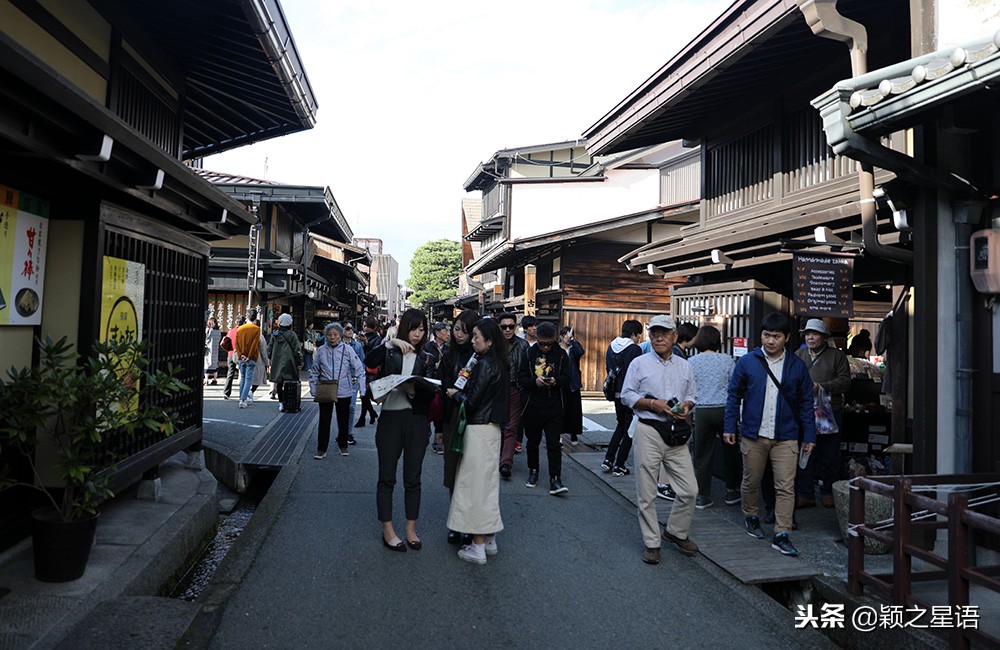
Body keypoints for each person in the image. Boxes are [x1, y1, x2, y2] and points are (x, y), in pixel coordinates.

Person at [723, 311, 816, 557]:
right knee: (751, 480)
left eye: (776, 336)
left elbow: (807, 402)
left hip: (786, 436)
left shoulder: (796, 365)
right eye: (766, 335)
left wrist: (809, 436)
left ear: (786, 338)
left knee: (785, 486)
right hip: (753, 434)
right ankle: (751, 515)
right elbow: (734, 395)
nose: (770, 341)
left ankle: (782, 533)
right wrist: (729, 425)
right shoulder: (748, 362)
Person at [619, 315, 699, 564]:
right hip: (648, 430)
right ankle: (651, 542)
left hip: (677, 431)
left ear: (675, 336)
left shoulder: (684, 365)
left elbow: (691, 395)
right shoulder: (639, 363)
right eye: (654, 333)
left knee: (689, 490)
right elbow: (627, 396)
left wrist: (686, 406)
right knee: (647, 491)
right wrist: (654, 404)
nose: (658, 337)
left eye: (664, 333)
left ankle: (675, 531)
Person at [365, 308, 436, 553]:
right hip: (391, 418)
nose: (418, 334)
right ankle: (387, 530)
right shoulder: (391, 350)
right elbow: (369, 361)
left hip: (416, 419)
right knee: (386, 476)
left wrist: (413, 391)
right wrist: (388, 342)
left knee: (413, 477)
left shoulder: (428, 357)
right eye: (414, 328)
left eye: (422, 329)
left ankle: (410, 528)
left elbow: (433, 392)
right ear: (405, 327)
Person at [445, 317, 509, 564]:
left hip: (478, 430)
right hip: (492, 431)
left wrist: (455, 394)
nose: (472, 341)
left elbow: (471, 402)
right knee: (488, 486)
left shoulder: (484, 365)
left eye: (476, 337)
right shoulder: (502, 363)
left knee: (474, 488)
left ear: (490, 341)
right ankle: (490, 539)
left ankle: (478, 545)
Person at [794, 318, 851, 509]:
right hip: (804, 410)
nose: (810, 337)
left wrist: (822, 386)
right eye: (808, 334)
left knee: (830, 453)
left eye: (815, 334)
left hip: (830, 411)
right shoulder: (799, 354)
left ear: (824, 337)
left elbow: (845, 382)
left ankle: (829, 492)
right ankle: (805, 493)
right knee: (805, 452)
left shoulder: (837, 356)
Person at [440, 309, 481, 545]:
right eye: (456, 329)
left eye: (465, 331)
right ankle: (456, 521)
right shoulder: (448, 354)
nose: (459, 335)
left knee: (469, 470)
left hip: (471, 416)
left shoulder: (480, 356)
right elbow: (443, 385)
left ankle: (468, 522)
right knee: (452, 469)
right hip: (451, 416)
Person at [687, 325, 739, 509]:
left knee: (702, 454)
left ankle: (702, 495)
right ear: (718, 341)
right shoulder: (727, 360)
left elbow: (688, 389)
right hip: (724, 410)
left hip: (701, 410)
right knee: (731, 452)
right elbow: (734, 385)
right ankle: (731, 491)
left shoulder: (691, 362)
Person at [518, 321, 571, 495]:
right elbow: (521, 378)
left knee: (554, 444)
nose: (546, 347)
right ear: (537, 338)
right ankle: (533, 471)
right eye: (542, 344)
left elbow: (567, 377)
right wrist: (535, 382)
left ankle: (555, 478)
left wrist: (556, 381)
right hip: (533, 404)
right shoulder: (529, 353)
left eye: (549, 343)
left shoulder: (561, 354)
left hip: (554, 405)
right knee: (532, 442)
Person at [309, 322, 365, 459]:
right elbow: (315, 371)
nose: (332, 337)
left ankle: (343, 445)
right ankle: (321, 449)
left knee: (343, 419)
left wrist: (362, 390)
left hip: (344, 389)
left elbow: (359, 369)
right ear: (326, 336)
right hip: (326, 389)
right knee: (324, 420)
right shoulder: (321, 350)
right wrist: (313, 388)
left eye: (335, 334)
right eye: (329, 334)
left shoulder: (348, 350)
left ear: (340, 335)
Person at [602, 320, 645, 477]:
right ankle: (619, 464)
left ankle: (608, 459)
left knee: (621, 425)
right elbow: (636, 374)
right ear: (633, 333)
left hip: (615, 392)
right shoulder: (635, 349)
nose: (639, 337)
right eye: (639, 334)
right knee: (629, 429)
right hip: (630, 393)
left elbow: (609, 369)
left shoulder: (611, 346)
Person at [497, 312, 529, 478]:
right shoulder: (492, 344)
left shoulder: (523, 345)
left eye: (511, 326)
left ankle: (506, 463)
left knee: (511, 427)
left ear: (516, 327)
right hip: (495, 390)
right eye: (504, 327)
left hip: (515, 388)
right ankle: (498, 456)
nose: (508, 330)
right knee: (496, 425)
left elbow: (527, 369)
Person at [424, 322, 451, 454]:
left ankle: (438, 442)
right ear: (437, 333)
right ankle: (425, 433)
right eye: (445, 331)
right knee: (427, 409)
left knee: (440, 412)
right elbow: (423, 362)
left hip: (443, 382)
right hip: (429, 381)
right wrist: (435, 365)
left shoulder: (450, 348)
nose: (448, 333)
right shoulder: (427, 346)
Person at [268, 313, 302, 413]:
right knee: (290, 382)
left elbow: (269, 349)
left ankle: (281, 403)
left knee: (279, 383)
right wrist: (300, 361)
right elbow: (297, 349)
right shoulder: (292, 335)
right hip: (289, 362)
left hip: (277, 362)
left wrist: (270, 360)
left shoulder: (274, 335)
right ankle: (290, 402)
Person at [559, 325, 584, 446]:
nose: (568, 338)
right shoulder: (557, 349)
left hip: (573, 383)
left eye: (569, 335)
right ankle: (559, 434)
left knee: (574, 410)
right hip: (561, 384)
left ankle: (574, 434)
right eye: (566, 335)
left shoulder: (573, 348)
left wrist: (573, 340)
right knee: (561, 410)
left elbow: (581, 352)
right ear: (561, 336)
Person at [355, 316, 381, 428]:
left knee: (365, 393)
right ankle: (371, 413)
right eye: (364, 326)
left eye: (367, 326)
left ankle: (364, 417)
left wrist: (367, 344)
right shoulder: (362, 337)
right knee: (363, 393)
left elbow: (376, 355)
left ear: (373, 327)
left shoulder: (377, 338)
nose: (365, 328)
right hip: (361, 367)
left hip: (371, 369)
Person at [342, 322, 365, 445]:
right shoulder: (336, 345)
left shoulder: (357, 346)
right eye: (348, 328)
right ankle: (342, 432)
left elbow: (362, 363)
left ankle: (348, 433)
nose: (351, 331)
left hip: (353, 379)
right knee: (341, 408)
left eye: (352, 328)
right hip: (339, 381)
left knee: (351, 407)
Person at [234, 310, 261, 408]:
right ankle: (243, 399)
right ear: (255, 318)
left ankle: (241, 397)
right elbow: (254, 344)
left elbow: (236, 343)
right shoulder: (256, 329)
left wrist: (241, 355)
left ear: (247, 317)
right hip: (251, 358)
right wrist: (249, 356)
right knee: (248, 379)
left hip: (241, 357)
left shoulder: (240, 328)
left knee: (242, 378)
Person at [222, 316, 244, 399]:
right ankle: (242, 394)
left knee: (230, 374)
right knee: (242, 374)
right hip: (239, 354)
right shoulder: (242, 331)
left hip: (230, 354)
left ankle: (226, 392)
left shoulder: (231, 331)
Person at [204, 317, 222, 385]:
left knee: (207, 364)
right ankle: (215, 379)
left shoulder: (208, 330)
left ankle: (206, 380)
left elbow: (206, 339)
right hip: (216, 349)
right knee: (215, 364)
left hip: (208, 349)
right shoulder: (218, 331)